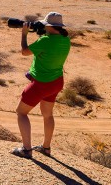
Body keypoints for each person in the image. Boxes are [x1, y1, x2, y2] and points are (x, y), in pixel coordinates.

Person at [11, 12, 71, 159]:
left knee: (21, 112)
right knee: (48, 115)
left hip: (41, 83)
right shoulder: (66, 39)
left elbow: (24, 52)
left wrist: (24, 34)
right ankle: (46, 148)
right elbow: (48, 47)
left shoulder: (44, 41)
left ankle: (26, 149)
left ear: (49, 26)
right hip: (56, 82)